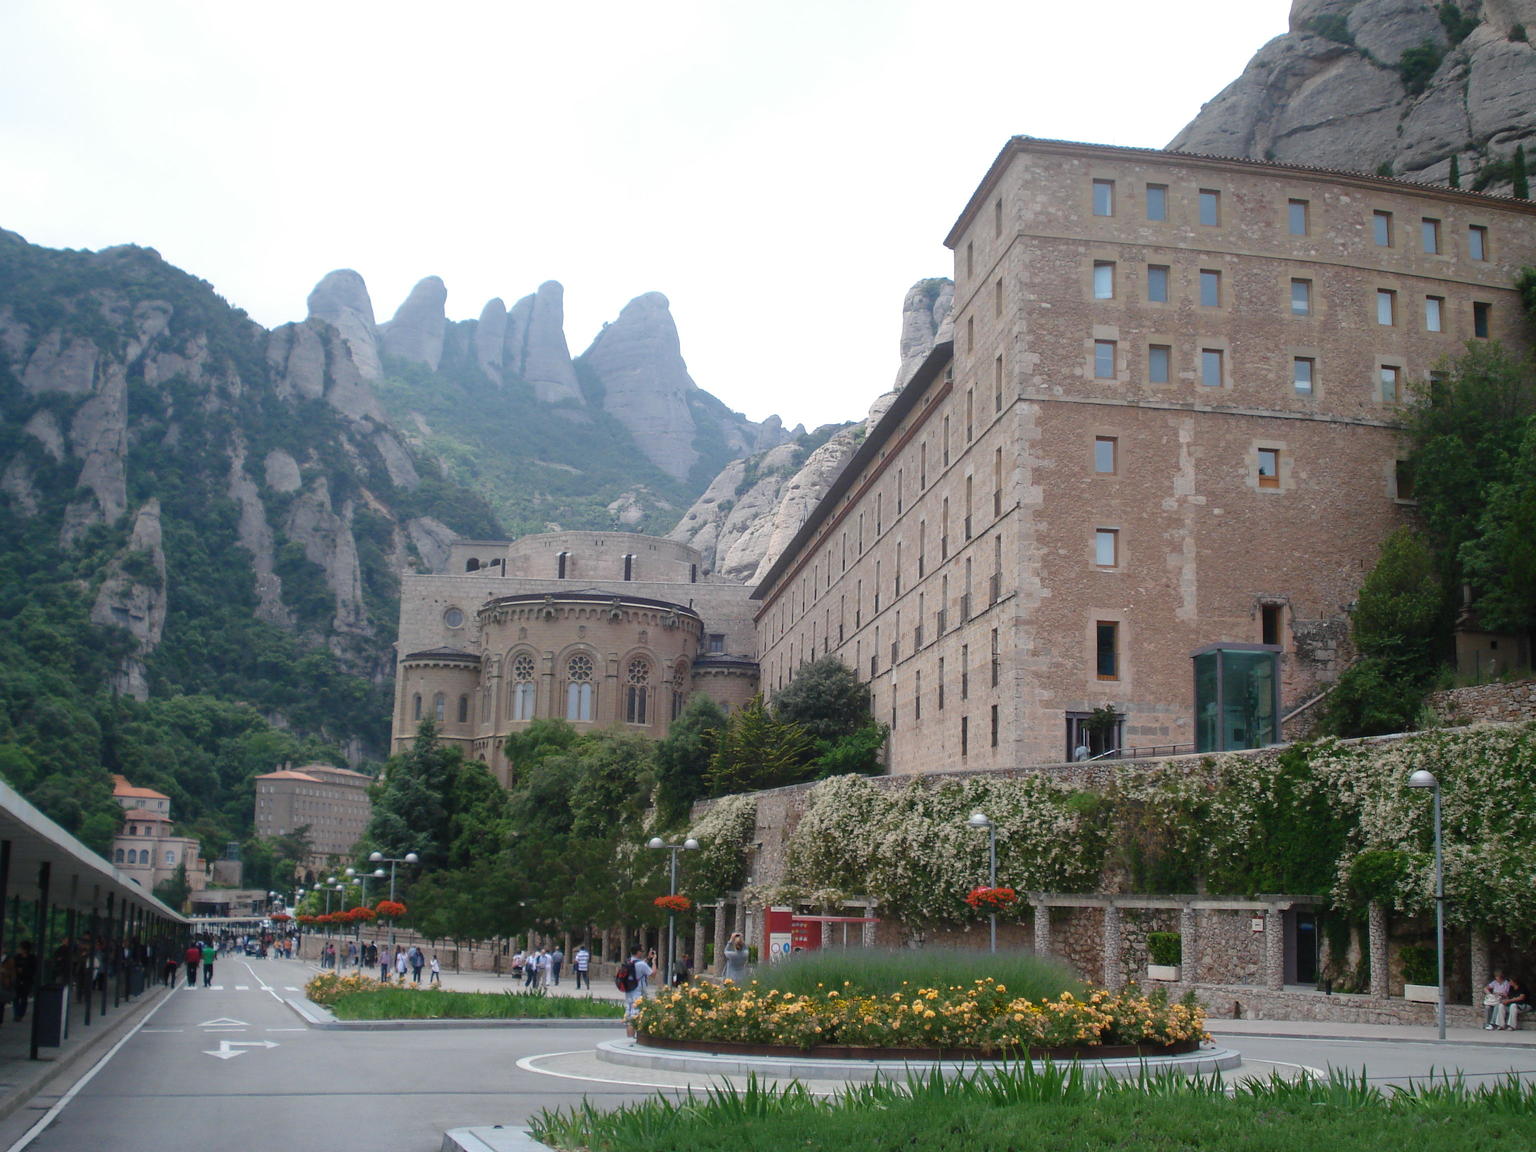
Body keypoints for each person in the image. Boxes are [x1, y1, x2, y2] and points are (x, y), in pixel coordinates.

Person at [622, 945, 652, 1020]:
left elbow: (640, 964)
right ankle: (638, 1031)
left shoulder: (628, 962)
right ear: (638, 952)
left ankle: (629, 1031)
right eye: (641, 951)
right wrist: (654, 961)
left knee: (629, 1015)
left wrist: (648, 958)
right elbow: (653, 974)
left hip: (629, 990)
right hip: (638, 992)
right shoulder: (642, 964)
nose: (642, 953)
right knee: (637, 1016)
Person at [12, 942, 36, 1021]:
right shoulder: (17, 957)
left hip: (27, 980)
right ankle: (16, 1014)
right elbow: (13, 967)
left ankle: (20, 1014)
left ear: (24, 949)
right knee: (15, 997)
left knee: (24, 998)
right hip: (18, 979)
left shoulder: (32, 958)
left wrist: (24, 970)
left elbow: (34, 970)